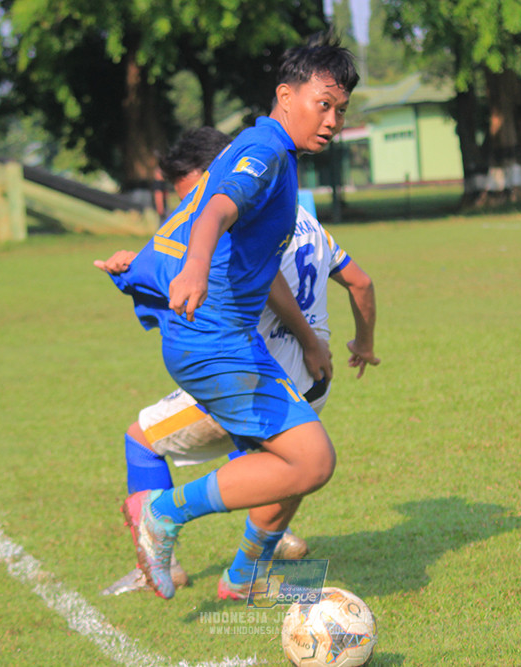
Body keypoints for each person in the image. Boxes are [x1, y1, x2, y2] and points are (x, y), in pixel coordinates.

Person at [98, 34, 360, 600]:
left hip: (223, 338)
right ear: (285, 95)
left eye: (341, 109)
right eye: (323, 104)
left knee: (290, 462)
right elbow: (215, 207)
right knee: (313, 459)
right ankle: (161, 514)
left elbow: (245, 253)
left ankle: (242, 581)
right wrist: (193, 270)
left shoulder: (277, 154)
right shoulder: (265, 150)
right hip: (214, 338)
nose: (333, 119)